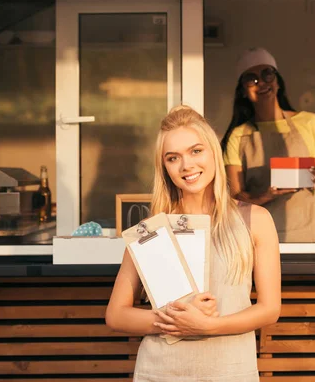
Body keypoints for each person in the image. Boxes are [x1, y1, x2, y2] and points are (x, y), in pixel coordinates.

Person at [106, 105, 281, 382]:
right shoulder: (151, 230)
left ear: (213, 151)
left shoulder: (255, 220)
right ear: (164, 167)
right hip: (161, 372)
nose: (187, 165)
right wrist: (177, 321)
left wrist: (209, 326)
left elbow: (270, 309)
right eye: (173, 158)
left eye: (196, 151)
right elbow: (116, 315)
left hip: (230, 371)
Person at [221, 47, 315, 243]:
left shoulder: (310, 123)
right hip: (256, 240)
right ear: (243, 90)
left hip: (305, 240)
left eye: (267, 74)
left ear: (277, 81)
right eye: (252, 79)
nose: (262, 83)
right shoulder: (239, 135)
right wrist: (265, 195)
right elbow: (234, 198)